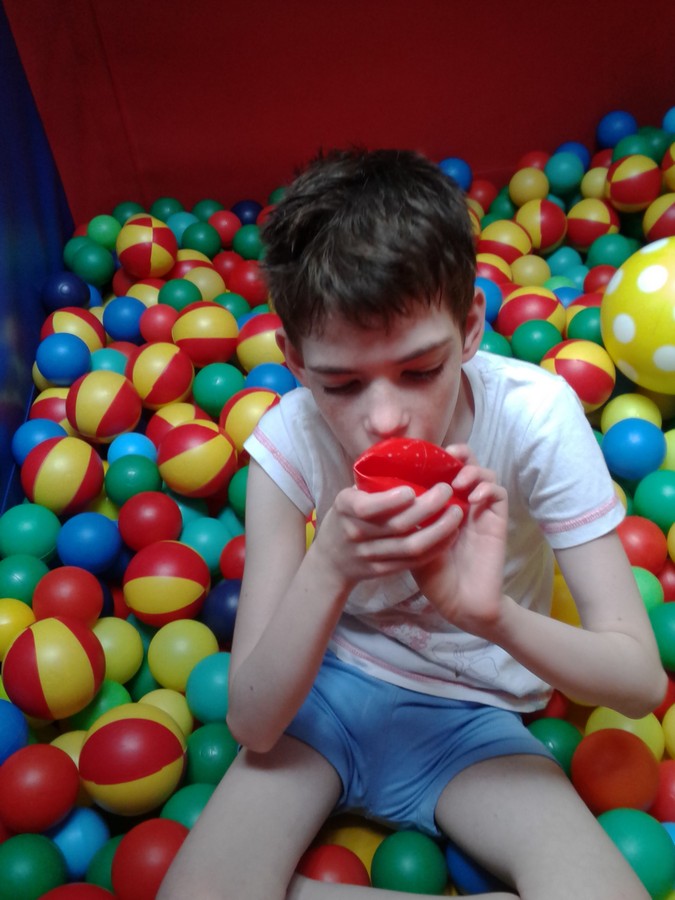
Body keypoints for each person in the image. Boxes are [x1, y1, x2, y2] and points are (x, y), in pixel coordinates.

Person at [159, 148, 667, 900]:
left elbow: (639, 682)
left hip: (478, 717)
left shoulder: (535, 417)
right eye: (341, 383)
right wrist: (329, 566)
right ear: (293, 360)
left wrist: (489, 616)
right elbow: (254, 723)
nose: (385, 419)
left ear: (470, 328)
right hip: (323, 697)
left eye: (420, 370)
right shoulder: (286, 443)